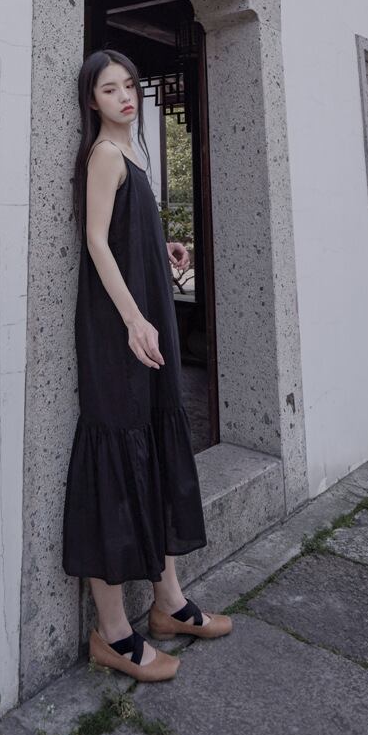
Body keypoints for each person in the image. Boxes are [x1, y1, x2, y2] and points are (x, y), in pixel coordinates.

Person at [63, 48, 232, 683]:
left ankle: (169, 604)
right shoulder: (105, 154)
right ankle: (112, 634)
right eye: (110, 89)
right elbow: (95, 242)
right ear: (92, 100)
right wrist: (134, 319)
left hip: (146, 315)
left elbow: (124, 233)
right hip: (118, 328)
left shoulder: (134, 154)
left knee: (155, 448)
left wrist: (163, 246)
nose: (126, 96)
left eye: (130, 85)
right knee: (115, 456)